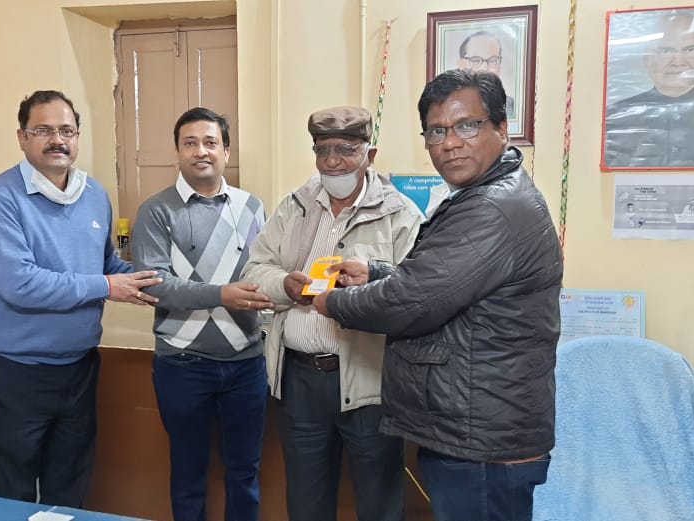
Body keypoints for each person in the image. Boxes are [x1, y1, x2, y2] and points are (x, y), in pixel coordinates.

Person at [312, 70, 563, 521]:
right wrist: (376, 271)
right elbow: (448, 285)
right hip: (478, 426)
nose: (450, 143)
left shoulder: (492, 207)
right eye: (437, 131)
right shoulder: (484, 195)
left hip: (481, 439)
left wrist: (330, 302)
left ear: (502, 129)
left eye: (467, 125)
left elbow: (410, 302)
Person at [0, 90, 161, 507]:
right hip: (21, 373)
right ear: (22, 138)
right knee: (17, 489)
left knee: (70, 483)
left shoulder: (93, 194)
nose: (57, 139)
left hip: (79, 368)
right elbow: (19, 283)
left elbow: (107, 263)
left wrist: (166, 285)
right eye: (43, 130)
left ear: (77, 137)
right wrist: (107, 287)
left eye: (66, 130)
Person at [241, 106, 421, 521]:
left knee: (379, 504)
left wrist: (358, 292)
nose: (332, 161)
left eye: (345, 149)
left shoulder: (400, 214)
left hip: (368, 382)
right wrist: (283, 285)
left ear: (369, 155)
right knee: (306, 505)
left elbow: (415, 292)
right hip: (301, 381)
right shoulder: (296, 205)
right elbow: (256, 268)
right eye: (322, 150)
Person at [130, 107, 271, 521]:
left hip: (246, 364)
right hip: (182, 363)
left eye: (210, 142)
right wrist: (220, 294)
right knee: (188, 474)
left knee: (245, 472)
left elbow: (262, 270)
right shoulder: (156, 211)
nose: (200, 151)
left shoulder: (251, 207)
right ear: (177, 152)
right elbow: (155, 284)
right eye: (189, 143)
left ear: (226, 151)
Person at [604, 11, 694, 168]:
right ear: (647, 57)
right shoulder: (616, 118)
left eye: (690, 49)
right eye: (666, 51)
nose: (678, 62)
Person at [458, 31, 516, 119]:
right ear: (461, 64)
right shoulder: (446, 107)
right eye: (476, 60)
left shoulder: (513, 107)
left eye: (493, 60)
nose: (485, 68)